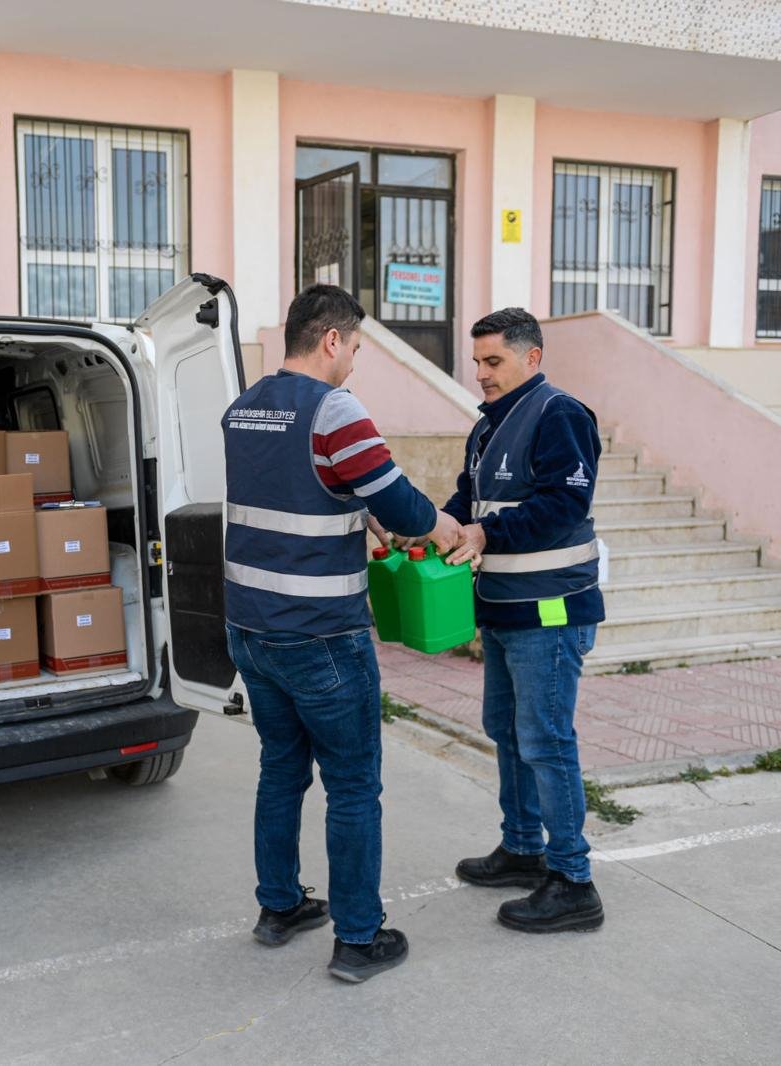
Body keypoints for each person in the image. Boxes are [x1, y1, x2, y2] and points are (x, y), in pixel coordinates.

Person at [222, 284, 460, 982]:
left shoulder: (243, 408)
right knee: (353, 785)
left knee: (281, 768)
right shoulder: (335, 409)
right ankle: (358, 938)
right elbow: (398, 499)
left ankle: (280, 907)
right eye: (355, 347)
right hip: (322, 633)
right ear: (332, 339)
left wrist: (358, 514)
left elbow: (298, 489)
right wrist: (435, 524)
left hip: (252, 628)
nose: (355, 361)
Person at [439, 307, 606, 933]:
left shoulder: (559, 413)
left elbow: (565, 504)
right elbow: (469, 495)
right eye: (477, 361)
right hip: (504, 607)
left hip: (550, 610)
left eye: (493, 361)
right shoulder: (487, 426)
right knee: (506, 728)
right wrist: (442, 527)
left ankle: (572, 880)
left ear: (531, 357)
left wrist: (484, 533)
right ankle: (523, 847)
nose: (479, 373)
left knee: (545, 738)